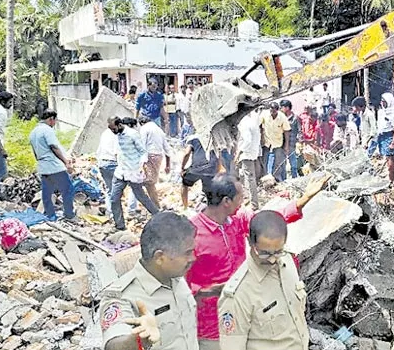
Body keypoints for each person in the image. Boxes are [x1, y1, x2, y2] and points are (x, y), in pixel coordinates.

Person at [185, 174, 329, 350]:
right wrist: (210, 292)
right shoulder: (191, 235)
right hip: (212, 327)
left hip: (251, 316)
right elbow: (179, 284)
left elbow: (269, 222)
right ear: (226, 201)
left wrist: (305, 199)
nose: (243, 201)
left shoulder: (238, 220)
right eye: (241, 197)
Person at [99, 211, 198, 350]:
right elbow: (114, 344)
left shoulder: (175, 276)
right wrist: (137, 341)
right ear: (160, 257)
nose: (193, 258)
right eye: (187, 253)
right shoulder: (123, 297)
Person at [218, 211, 309, 350]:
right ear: (250, 241)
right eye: (265, 253)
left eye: (278, 251)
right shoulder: (238, 295)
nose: (273, 259)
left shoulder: (287, 260)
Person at [109, 117, 159, 231]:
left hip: (133, 172)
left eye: (113, 129)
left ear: (119, 124)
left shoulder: (132, 134)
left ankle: (158, 215)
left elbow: (143, 152)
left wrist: (141, 166)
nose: (113, 131)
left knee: (141, 197)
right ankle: (120, 226)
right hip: (120, 172)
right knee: (114, 199)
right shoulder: (117, 136)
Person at [28, 109, 75, 222]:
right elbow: (54, 147)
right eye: (55, 121)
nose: (54, 124)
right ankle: (69, 214)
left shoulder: (33, 132)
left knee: (47, 192)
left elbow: (35, 152)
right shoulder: (47, 130)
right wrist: (65, 161)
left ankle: (50, 215)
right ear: (51, 119)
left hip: (43, 166)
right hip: (54, 166)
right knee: (68, 189)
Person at [139, 115, 171, 206]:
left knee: (149, 183)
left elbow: (142, 145)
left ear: (141, 123)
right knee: (149, 181)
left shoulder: (144, 128)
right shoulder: (159, 129)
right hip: (158, 156)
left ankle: (155, 206)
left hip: (149, 156)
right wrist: (168, 165)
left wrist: (141, 162)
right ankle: (152, 204)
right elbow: (167, 148)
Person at [180, 132, 219, 208]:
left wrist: (182, 168)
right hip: (211, 167)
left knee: (184, 183)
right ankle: (210, 209)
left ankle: (185, 207)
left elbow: (186, 154)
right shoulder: (211, 136)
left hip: (196, 168)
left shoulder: (192, 138)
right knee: (209, 190)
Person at [236, 109, 262, 209]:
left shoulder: (244, 123)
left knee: (250, 178)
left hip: (247, 154)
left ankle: (254, 204)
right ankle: (247, 198)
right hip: (252, 152)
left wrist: (239, 152)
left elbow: (247, 140)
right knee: (244, 175)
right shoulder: (251, 121)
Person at [260, 102, 291, 183]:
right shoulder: (264, 114)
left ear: (277, 111)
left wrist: (286, 145)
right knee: (265, 160)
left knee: (277, 161)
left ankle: (276, 178)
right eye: (271, 111)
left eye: (273, 111)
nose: (272, 113)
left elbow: (286, 131)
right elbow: (260, 125)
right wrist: (262, 137)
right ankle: (266, 178)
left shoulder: (282, 117)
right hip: (267, 142)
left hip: (277, 142)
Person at [376, 93, 394, 186]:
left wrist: (393, 143)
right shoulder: (381, 112)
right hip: (382, 136)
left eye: (384, 101)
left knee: (391, 159)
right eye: (382, 101)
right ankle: (390, 179)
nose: (382, 103)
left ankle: (391, 179)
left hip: (391, 136)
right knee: (388, 158)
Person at [97, 116, 120, 213]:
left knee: (109, 189)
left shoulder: (104, 133)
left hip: (102, 162)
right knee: (116, 190)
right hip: (112, 163)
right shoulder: (116, 134)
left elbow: (99, 150)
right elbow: (116, 152)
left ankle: (110, 212)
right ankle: (118, 212)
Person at [280, 100, 301, 179]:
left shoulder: (295, 118)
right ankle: (283, 178)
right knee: (283, 162)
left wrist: (299, 140)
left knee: (293, 161)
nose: (281, 109)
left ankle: (294, 177)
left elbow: (299, 130)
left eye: (282, 107)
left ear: (287, 107)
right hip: (282, 143)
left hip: (292, 142)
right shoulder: (281, 117)